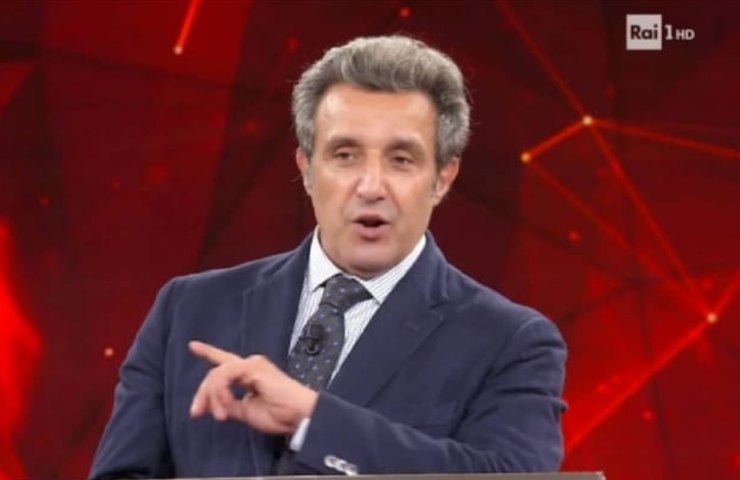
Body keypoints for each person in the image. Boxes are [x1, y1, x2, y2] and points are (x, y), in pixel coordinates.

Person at [90, 35, 566, 479]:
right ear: (306, 168)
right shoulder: (188, 310)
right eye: (345, 155)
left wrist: (312, 419)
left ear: (442, 178)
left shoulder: (512, 343)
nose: (371, 186)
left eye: (401, 159)